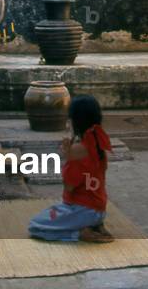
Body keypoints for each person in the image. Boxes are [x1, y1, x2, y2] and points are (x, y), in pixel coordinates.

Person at [28, 95, 114, 243]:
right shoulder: (98, 142)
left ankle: (79, 234)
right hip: (98, 209)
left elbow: (70, 186)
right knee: (53, 211)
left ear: (75, 121)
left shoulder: (78, 150)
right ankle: (93, 226)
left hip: (83, 210)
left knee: (36, 226)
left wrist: (68, 158)